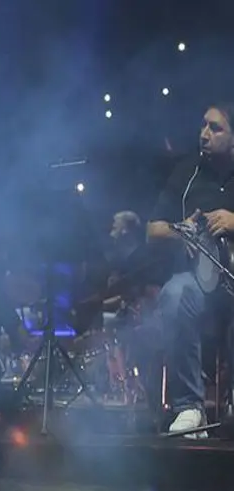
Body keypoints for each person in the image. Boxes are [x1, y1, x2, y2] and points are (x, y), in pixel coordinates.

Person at [147, 103, 234, 438]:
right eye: (203, 126)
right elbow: (152, 230)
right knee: (174, 294)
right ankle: (188, 407)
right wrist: (178, 230)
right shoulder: (187, 172)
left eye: (216, 128)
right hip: (198, 281)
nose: (204, 134)